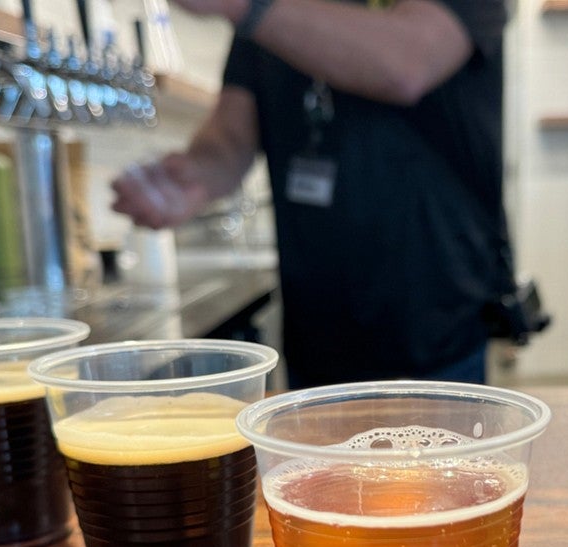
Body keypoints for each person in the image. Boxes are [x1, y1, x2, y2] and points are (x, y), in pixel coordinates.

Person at [110, 0, 514, 388]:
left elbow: (407, 63)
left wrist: (244, 4)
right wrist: (194, 175)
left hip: (436, 332)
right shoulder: (264, 19)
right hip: (317, 338)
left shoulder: (261, 8)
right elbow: (231, 134)